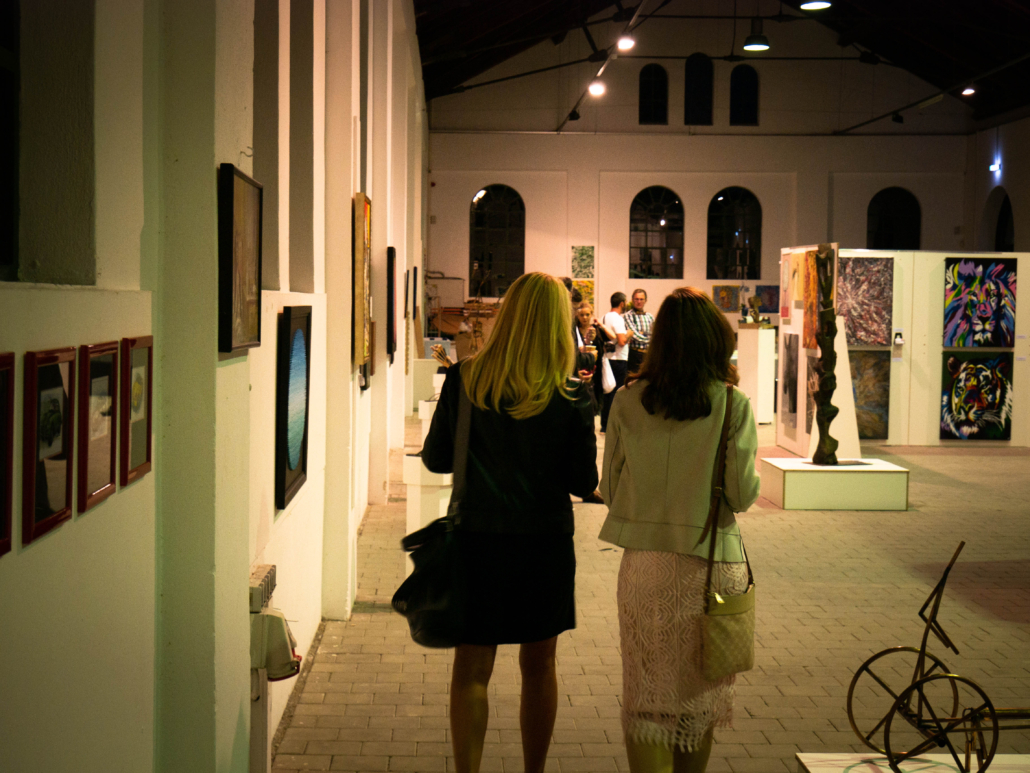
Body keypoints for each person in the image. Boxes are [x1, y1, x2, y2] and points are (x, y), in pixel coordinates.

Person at [421, 272, 599, 773]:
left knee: (472, 667)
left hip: (476, 539)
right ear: (558, 323)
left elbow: (436, 459)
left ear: (508, 316)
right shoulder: (571, 394)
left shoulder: (466, 379)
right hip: (544, 544)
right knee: (539, 666)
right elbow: (583, 480)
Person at [598, 287, 761, 773]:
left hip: (646, 567)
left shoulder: (627, 401)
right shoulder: (732, 404)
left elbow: (610, 488)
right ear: (716, 341)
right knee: (698, 701)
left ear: (661, 340)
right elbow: (741, 495)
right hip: (711, 565)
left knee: (647, 700)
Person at [600, 292, 630, 433]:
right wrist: (629, 333)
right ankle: (612, 424)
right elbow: (622, 341)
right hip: (618, 359)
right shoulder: (617, 319)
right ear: (622, 303)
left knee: (608, 391)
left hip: (607, 358)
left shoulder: (604, 317)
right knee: (616, 392)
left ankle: (605, 423)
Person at [623, 288, 654, 374]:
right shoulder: (628, 315)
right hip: (635, 354)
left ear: (645, 300)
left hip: (648, 354)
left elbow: (656, 334)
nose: (639, 302)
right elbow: (635, 336)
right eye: (636, 299)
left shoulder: (650, 316)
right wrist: (650, 339)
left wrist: (644, 334)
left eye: (641, 299)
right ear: (632, 300)